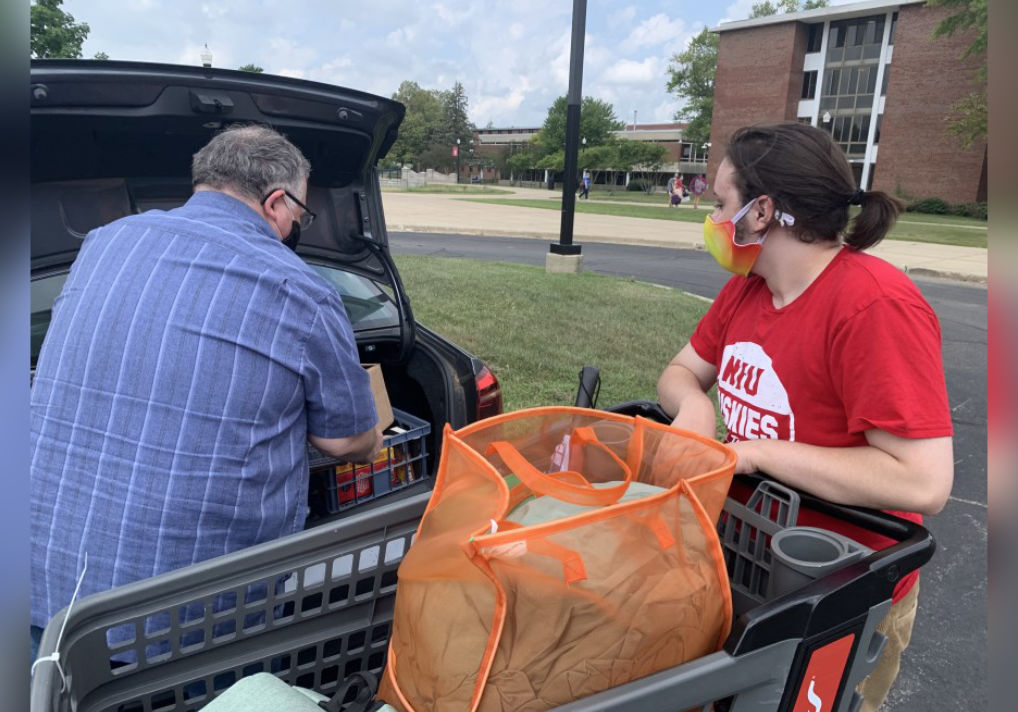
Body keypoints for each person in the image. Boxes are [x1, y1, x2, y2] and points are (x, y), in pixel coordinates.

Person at [30, 124, 384, 661]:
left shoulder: (106, 242)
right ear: (275, 202)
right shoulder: (301, 289)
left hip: (36, 586)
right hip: (180, 629)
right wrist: (373, 441)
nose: (294, 230)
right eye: (299, 216)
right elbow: (346, 442)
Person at [656, 122, 953, 712]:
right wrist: (694, 405)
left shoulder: (874, 305)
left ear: (761, 211)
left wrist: (757, 453)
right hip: (751, 562)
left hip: (841, 594)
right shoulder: (749, 287)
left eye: (721, 204)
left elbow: (924, 480)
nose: (714, 220)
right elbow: (680, 373)